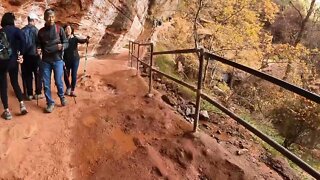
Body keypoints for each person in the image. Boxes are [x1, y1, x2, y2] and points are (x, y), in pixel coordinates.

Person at [37, 8, 68, 113]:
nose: (51, 19)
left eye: (53, 16)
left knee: (58, 81)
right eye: (49, 16)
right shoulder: (41, 32)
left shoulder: (59, 29)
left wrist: (62, 46)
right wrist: (38, 49)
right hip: (46, 61)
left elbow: (66, 42)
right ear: (45, 18)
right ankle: (50, 103)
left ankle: (62, 96)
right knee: (46, 83)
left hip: (58, 60)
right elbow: (38, 44)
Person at [0, 12, 28, 120]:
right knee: (15, 82)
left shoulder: (1, 31)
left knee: (3, 85)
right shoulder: (16, 30)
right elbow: (24, 42)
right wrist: (21, 54)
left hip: (2, 62)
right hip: (13, 61)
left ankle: (7, 111)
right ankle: (22, 105)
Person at [21, 12, 44, 101]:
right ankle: (38, 93)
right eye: (35, 20)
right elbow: (40, 44)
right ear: (33, 20)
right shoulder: (37, 31)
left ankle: (29, 94)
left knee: (27, 75)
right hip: (35, 56)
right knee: (38, 74)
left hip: (25, 56)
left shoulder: (22, 30)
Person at [63, 24, 89, 97]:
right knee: (66, 75)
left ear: (71, 30)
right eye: (66, 29)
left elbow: (82, 41)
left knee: (74, 75)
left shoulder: (75, 38)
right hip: (66, 60)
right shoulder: (63, 39)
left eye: (69, 29)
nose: (67, 30)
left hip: (75, 59)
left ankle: (72, 90)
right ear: (64, 30)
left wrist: (86, 40)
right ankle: (68, 87)